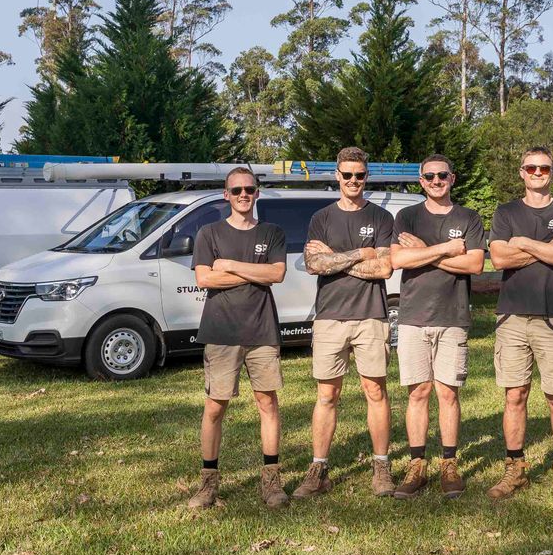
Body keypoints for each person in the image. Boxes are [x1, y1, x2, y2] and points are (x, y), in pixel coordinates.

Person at [294, 146, 398, 499]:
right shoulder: (321, 217)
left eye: (360, 175)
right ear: (337, 176)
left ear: (366, 177)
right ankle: (318, 468)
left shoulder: (383, 218)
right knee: (327, 395)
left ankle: (382, 466)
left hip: (371, 316)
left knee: (376, 392)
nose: (354, 180)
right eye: (347, 174)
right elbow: (312, 264)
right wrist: (358, 254)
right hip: (330, 318)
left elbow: (383, 268)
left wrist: (334, 258)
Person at [187, 166, 290, 509]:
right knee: (215, 407)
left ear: (257, 192)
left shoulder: (271, 231)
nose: (244, 195)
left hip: (262, 330)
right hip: (221, 331)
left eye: (249, 189)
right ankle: (208, 483)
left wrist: (229, 265)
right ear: (225, 195)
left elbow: (276, 273)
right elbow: (205, 279)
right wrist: (253, 273)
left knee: (268, 404)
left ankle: (272, 481)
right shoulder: (209, 233)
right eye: (237, 190)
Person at [487, 147, 553, 503]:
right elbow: (498, 257)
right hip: (512, 315)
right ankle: (515, 469)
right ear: (521, 172)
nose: (538, 173)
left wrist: (524, 243)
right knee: (515, 395)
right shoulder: (506, 212)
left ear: (552, 173)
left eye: (544, 168)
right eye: (531, 167)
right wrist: (548, 247)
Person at [387, 153, 485, 500]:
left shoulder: (469, 218)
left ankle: (448, 463)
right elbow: (398, 259)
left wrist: (424, 253)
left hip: (453, 315)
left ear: (452, 178)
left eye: (442, 175)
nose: (436, 181)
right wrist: (445, 249)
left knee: (448, 392)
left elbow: (474, 264)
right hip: (414, 317)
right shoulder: (407, 216)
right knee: (418, 393)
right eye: (429, 176)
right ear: (421, 181)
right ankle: (417, 465)